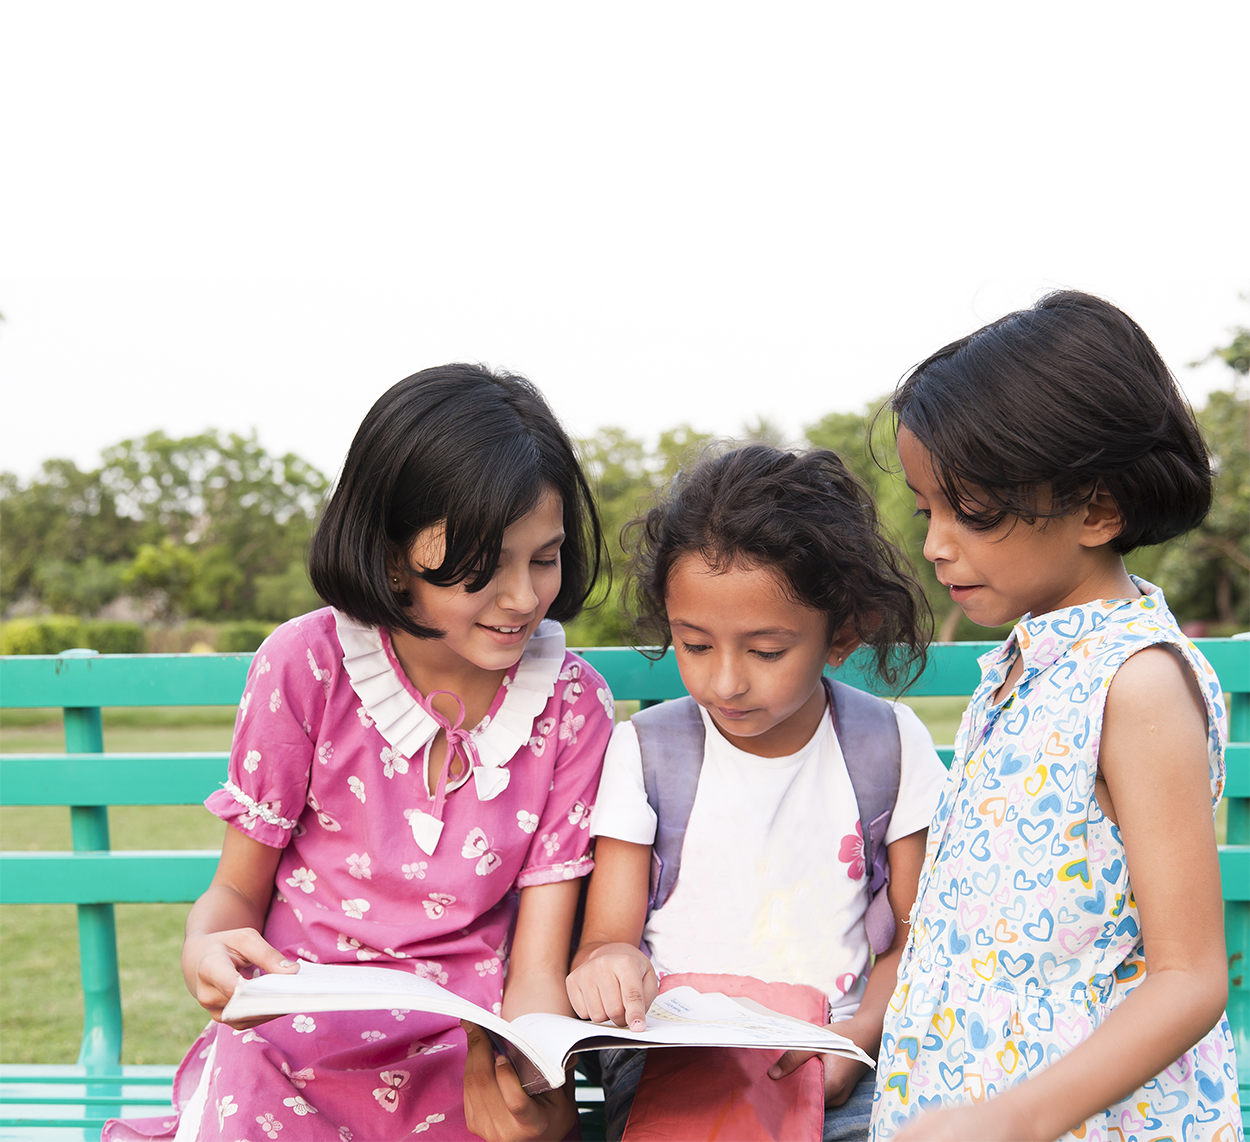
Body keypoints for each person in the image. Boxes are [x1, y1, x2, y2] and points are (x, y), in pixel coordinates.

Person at [104, 364, 614, 1142]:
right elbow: (234, 897)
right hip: (288, 1052)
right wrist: (205, 950)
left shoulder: (572, 704)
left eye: (543, 558)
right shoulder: (307, 666)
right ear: (391, 551)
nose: (521, 598)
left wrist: (535, 1089)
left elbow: (538, 969)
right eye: (483, 566)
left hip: (464, 1058)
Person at [873, 291, 1239, 1141]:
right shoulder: (1025, 666)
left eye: (975, 512)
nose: (935, 544)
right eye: (931, 511)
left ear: (1097, 510)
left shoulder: (1135, 682)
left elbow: (1190, 976)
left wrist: (1015, 1120)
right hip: (962, 1106)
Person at [567, 444, 949, 1141]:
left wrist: (858, 1036)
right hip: (678, 1062)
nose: (725, 682)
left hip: (842, 1057)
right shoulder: (649, 750)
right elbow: (606, 942)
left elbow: (920, 936)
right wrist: (611, 966)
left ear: (843, 634)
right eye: (695, 644)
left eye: (767, 651)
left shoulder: (889, 745)